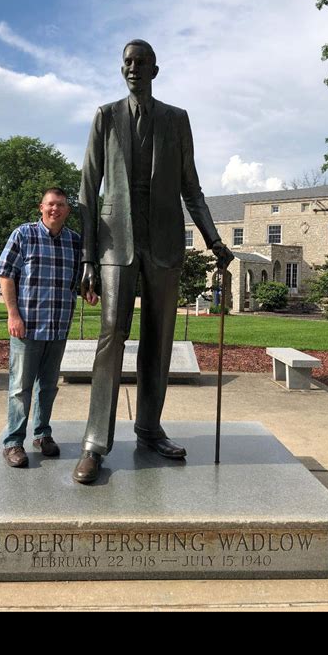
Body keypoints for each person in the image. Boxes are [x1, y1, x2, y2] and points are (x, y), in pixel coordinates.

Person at [73, 40, 234, 483]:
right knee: (111, 337)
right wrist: (87, 256)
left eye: (141, 62)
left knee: (159, 342)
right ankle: (95, 443)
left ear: (155, 70)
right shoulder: (105, 117)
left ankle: (148, 429)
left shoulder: (176, 120)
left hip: (163, 245)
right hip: (114, 245)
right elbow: (88, 192)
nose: (133, 68)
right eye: (126, 62)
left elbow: (192, 189)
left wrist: (214, 239)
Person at [0, 187, 81, 467]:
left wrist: (89, 290)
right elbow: (6, 275)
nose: (55, 209)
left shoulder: (75, 242)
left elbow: (79, 280)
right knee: (20, 388)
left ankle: (42, 434)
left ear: (67, 211)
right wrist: (12, 314)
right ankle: (13, 443)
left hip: (58, 327)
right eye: (51, 204)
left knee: (48, 387)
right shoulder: (24, 235)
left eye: (61, 205)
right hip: (27, 328)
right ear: (41, 207)